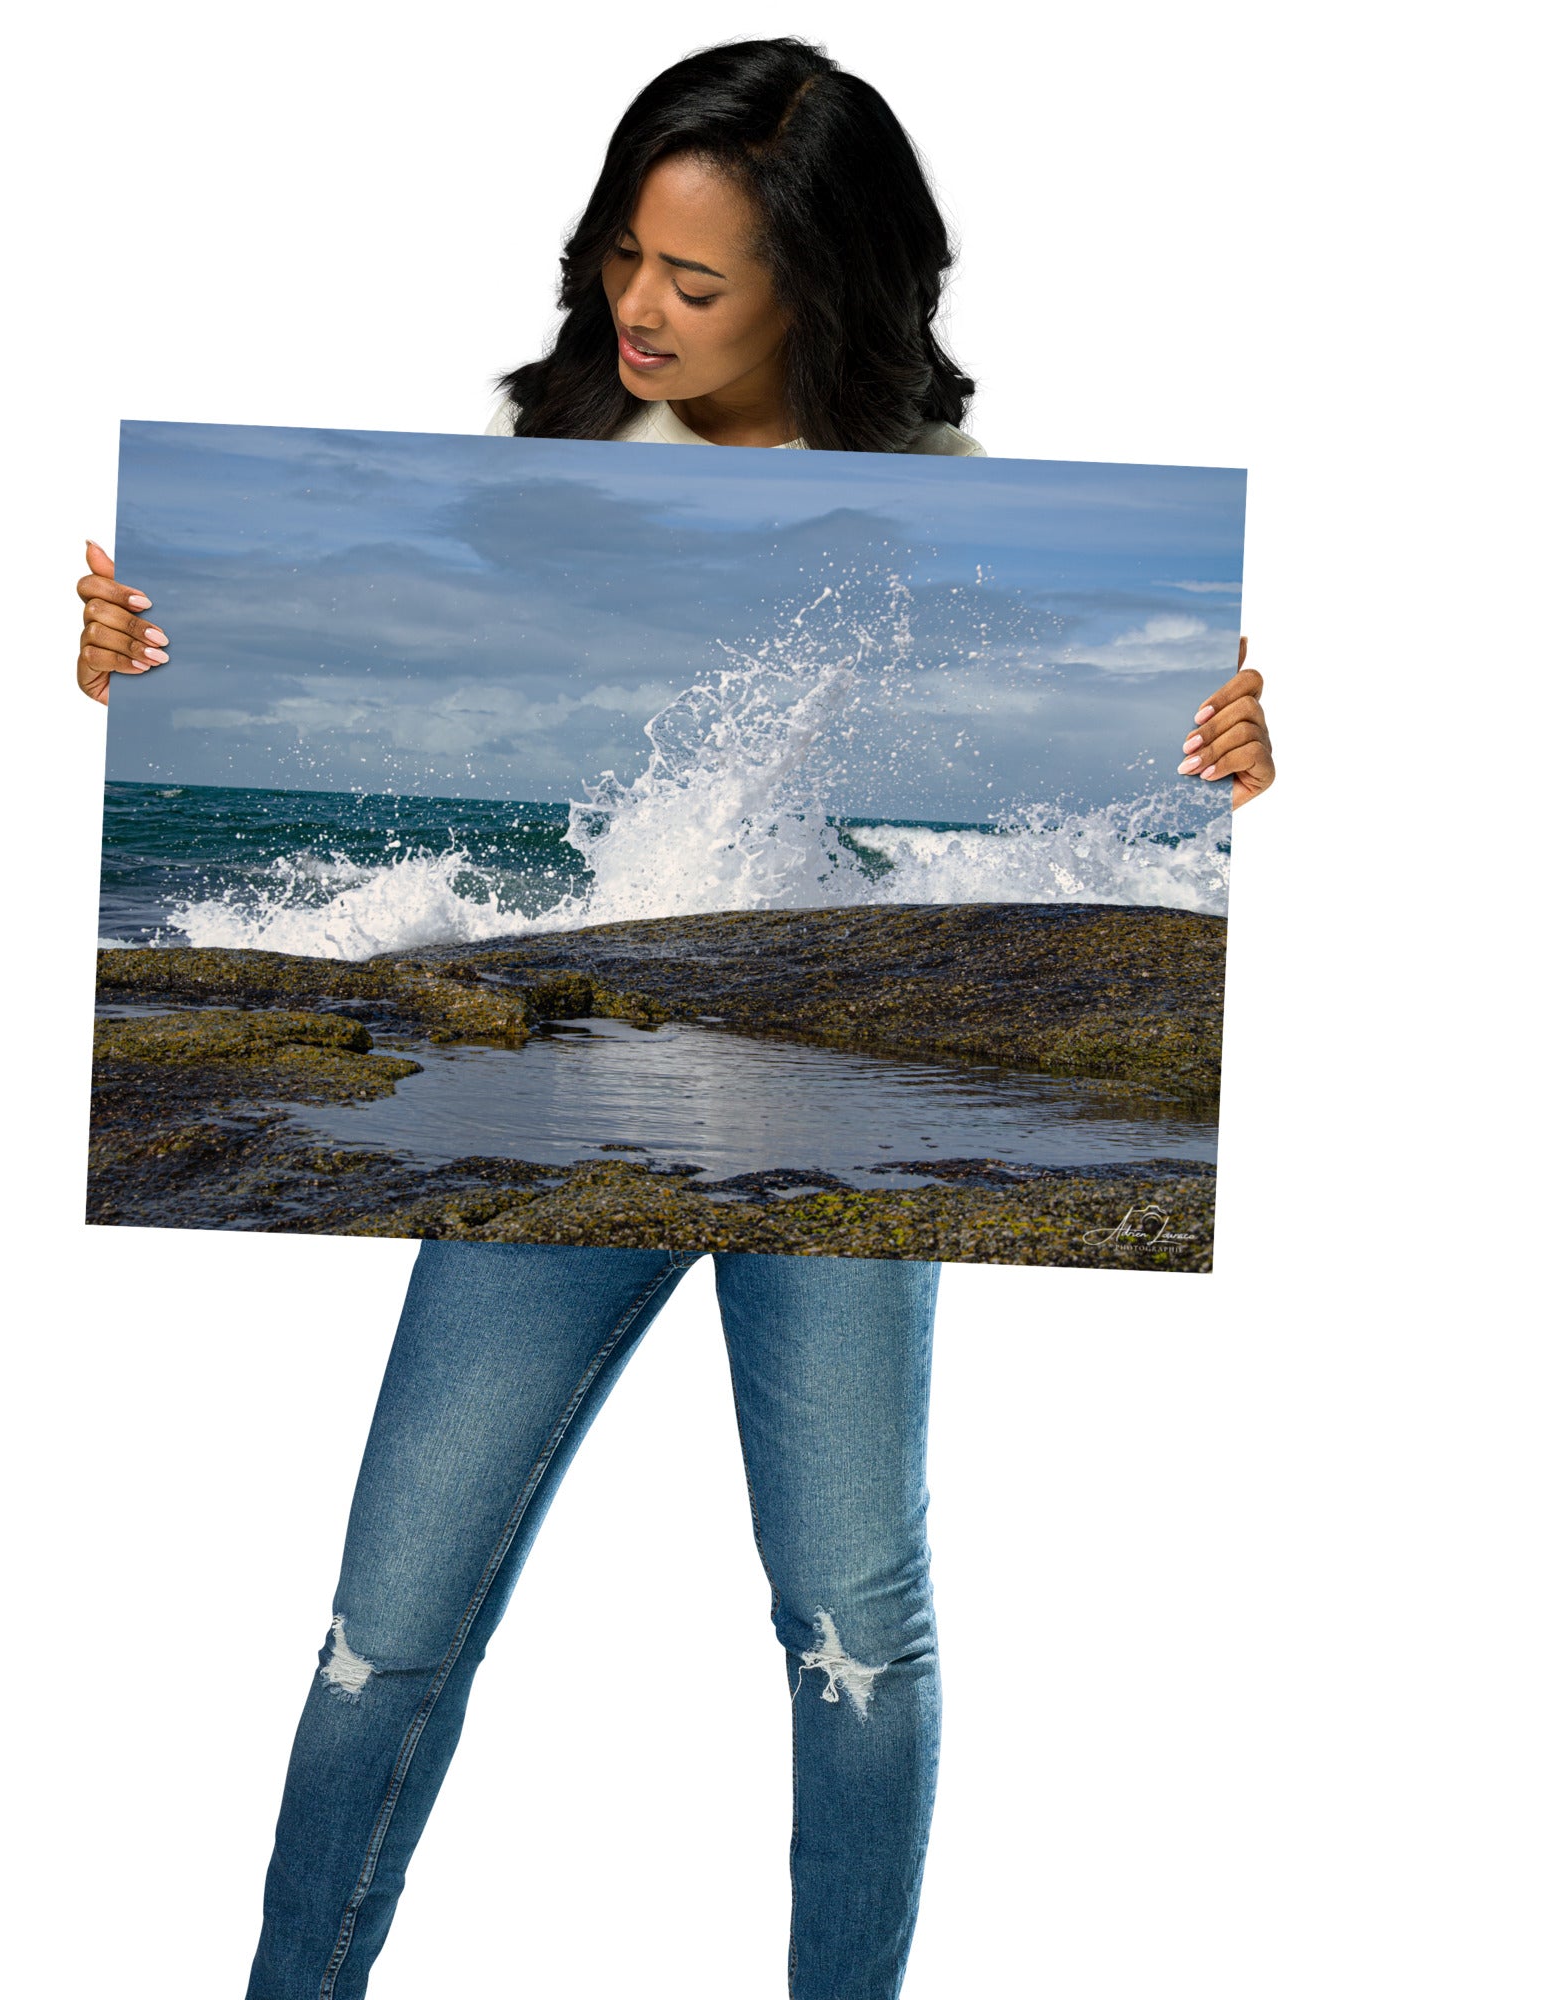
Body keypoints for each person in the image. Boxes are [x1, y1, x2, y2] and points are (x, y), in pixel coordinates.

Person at [74, 39, 1275, 2000]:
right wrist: (133, 660)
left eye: (694, 282)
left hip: (839, 1095)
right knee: (387, 1615)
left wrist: (1229, 757)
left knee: (852, 1619)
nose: (638, 307)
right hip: (573, 1066)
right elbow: (271, 666)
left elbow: (1130, 794)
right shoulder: (536, 466)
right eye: (627, 254)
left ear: (822, 284)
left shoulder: (961, 506)